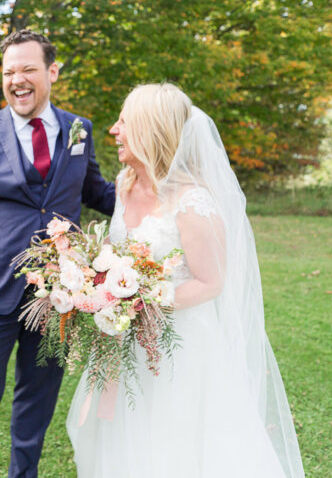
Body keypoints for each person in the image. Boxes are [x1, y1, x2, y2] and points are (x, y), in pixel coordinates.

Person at [66, 83, 305, 477]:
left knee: (175, 449)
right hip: (126, 347)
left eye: (123, 122)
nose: (113, 130)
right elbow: (117, 252)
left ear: (149, 129)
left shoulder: (194, 202)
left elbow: (211, 282)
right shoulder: (126, 186)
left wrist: (141, 301)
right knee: (127, 445)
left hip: (181, 352)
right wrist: (88, 275)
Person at [0, 29, 116, 477]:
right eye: (8, 72)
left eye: (27, 70)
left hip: (60, 293)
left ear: (52, 72)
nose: (16, 80)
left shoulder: (80, 130)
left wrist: (150, 192)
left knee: (37, 397)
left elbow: (95, 190)